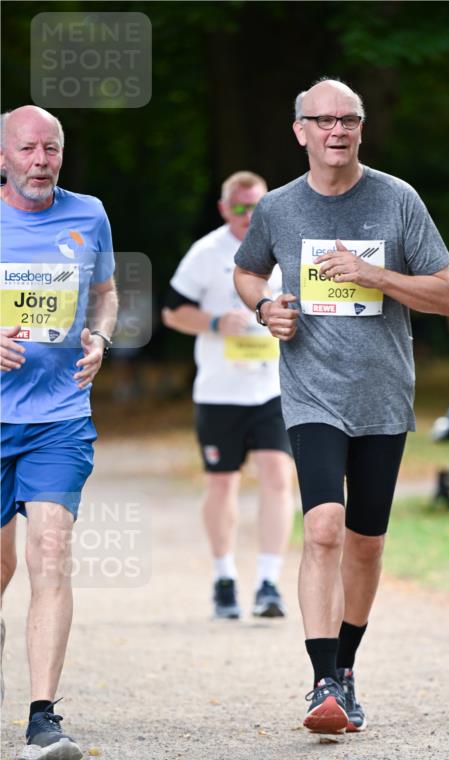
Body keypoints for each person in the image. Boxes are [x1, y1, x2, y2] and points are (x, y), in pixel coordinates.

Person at [234, 78, 449, 734]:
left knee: (365, 543)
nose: (337, 130)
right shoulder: (276, 209)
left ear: (360, 128)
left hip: (383, 395)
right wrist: (264, 307)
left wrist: (377, 276)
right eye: (323, 120)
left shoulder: (397, 200)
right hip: (311, 392)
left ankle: (348, 669)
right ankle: (321, 680)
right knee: (323, 528)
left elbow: (445, 296)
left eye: (349, 120)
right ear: (300, 130)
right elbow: (248, 270)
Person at [0, 106, 118, 760]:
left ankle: (43, 717)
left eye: (52, 148)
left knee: (50, 551)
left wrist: (100, 335)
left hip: (59, 418)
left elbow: (104, 293)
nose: (41, 160)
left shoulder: (88, 213)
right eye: (28, 148)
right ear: (3, 157)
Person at [162, 171, 293, 620]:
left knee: (278, 476)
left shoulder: (285, 247)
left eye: (255, 206)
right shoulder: (207, 252)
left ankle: (270, 582)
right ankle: (224, 577)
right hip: (220, 390)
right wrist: (216, 323)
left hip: (274, 386)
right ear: (223, 209)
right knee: (222, 482)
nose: (247, 215)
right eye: (238, 207)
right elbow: (172, 312)